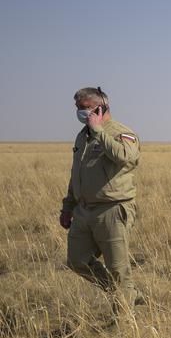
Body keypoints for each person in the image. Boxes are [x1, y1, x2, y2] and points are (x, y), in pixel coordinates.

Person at [59, 86, 141, 313]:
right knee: (77, 261)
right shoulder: (82, 136)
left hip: (112, 209)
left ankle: (124, 321)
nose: (81, 113)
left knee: (118, 268)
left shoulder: (121, 132)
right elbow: (77, 172)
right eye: (78, 108)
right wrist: (68, 206)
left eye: (85, 108)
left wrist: (99, 132)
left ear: (101, 107)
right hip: (83, 211)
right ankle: (126, 293)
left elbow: (126, 157)